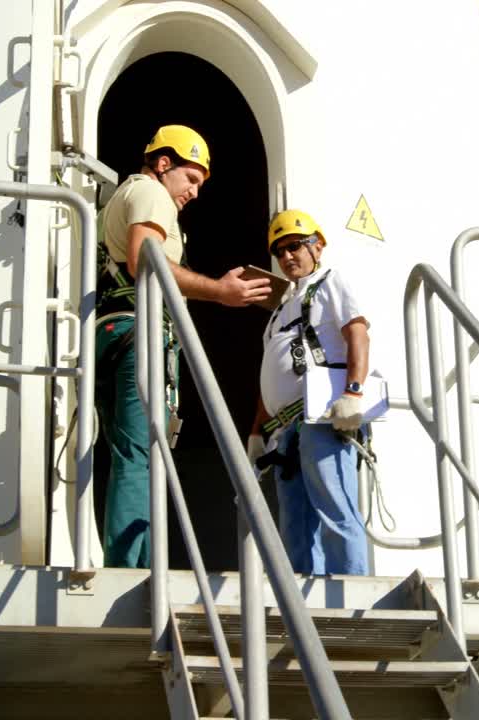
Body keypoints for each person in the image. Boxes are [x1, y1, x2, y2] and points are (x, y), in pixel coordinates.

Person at [96, 124, 270, 568]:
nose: (194, 192)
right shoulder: (151, 193)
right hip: (139, 332)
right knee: (141, 454)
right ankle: (132, 568)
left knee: (129, 454)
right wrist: (220, 291)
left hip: (115, 331)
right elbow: (144, 258)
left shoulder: (124, 196)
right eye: (191, 178)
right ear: (163, 163)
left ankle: (130, 561)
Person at [248, 209, 371, 576]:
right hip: (285, 430)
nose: (287, 256)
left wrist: (353, 393)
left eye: (295, 246)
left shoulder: (330, 282)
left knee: (335, 509)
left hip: (323, 417)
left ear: (317, 246)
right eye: (280, 251)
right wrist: (257, 432)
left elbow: (357, 333)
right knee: (296, 527)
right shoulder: (278, 314)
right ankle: (302, 601)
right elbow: (271, 374)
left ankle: (351, 589)